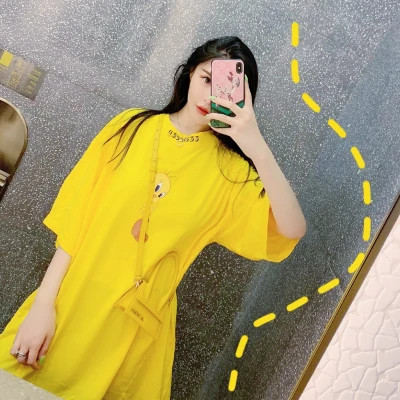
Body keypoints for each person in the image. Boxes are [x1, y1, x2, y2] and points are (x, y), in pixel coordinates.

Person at [0, 36, 305, 399]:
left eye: (224, 88)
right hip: (69, 304)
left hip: (133, 339)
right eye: (207, 79)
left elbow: (292, 228)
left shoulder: (231, 174)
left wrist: (255, 144)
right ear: (189, 73)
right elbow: (75, 222)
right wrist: (43, 305)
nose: (211, 95)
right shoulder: (131, 127)